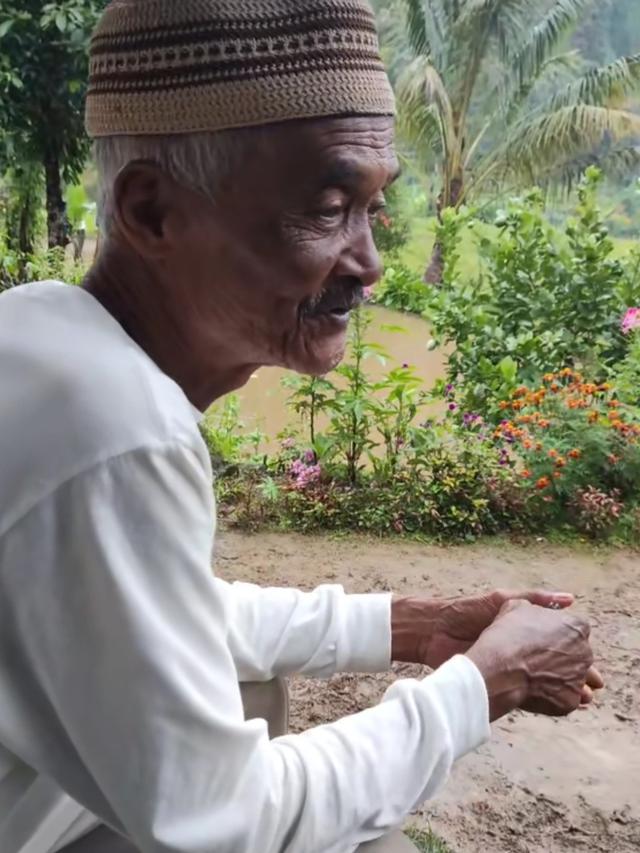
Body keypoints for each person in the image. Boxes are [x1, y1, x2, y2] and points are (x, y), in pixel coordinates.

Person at [0, 1, 602, 852]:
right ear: (152, 213)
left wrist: (414, 624)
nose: (369, 262)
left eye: (371, 207)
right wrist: (483, 683)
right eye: (327, 205)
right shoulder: (119, 434)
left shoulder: (34, 328)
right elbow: (226, 821)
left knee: (249, 689)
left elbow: (153, 613)